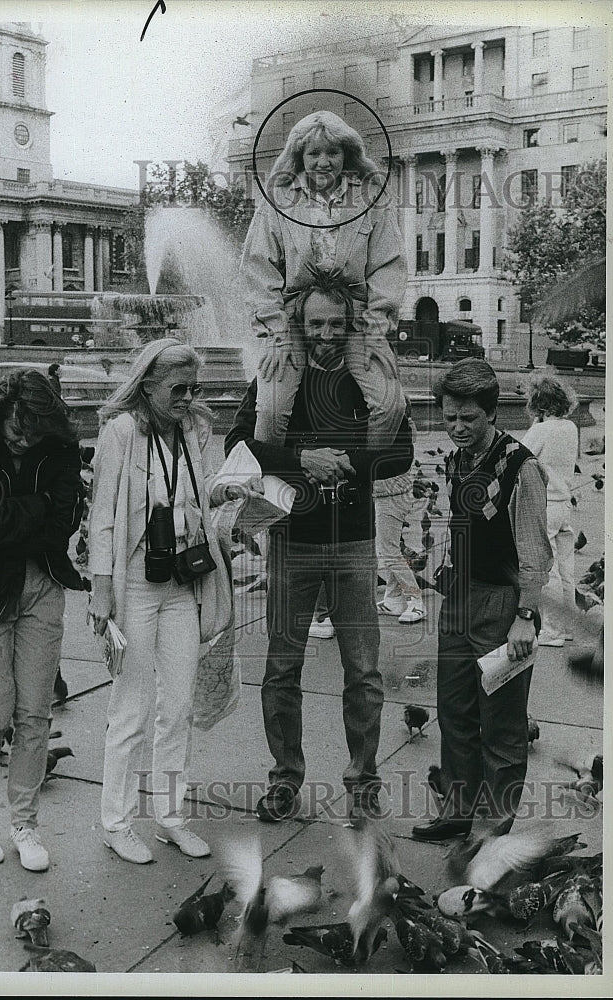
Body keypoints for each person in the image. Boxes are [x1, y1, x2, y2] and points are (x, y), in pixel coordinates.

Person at [224, 283, 414, 828]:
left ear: (352, 324)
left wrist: (346, 461)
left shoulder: (372, 378)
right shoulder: (276, 377)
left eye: (337, 324)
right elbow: (237, 443)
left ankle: (363, 780)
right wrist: (303, 458)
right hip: (293, 542)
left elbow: (402, 450)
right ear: (299, 326)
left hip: (354, 541)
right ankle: (285, 778)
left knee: (364, 672)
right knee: (281, 669)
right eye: (316, 325)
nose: (327, 335)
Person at [87, 339, 251, 864]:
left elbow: (205, 489)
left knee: (178, 706)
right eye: (177, 389)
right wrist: (101, 591)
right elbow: (104, 515)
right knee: (131, 709)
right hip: (135, 580)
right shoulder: (121, 432)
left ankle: (170, 815)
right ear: (148, 386)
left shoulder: (196, 429)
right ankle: (116, 821)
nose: (187, 398)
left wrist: (227, 493)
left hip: (185, 578)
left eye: (193, 389)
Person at [0, 370, 86, 870]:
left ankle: (24, 821)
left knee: (35, 712)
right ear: (1, 412)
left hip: (44, 584)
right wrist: (38, 509)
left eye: (35, 433)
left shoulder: (62, 448)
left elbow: (64, 521)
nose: (25, 441)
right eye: (17, 429)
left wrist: (17, 514)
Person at [412, 360, 553, 842]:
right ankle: (457, 810)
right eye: (449, 417)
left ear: (492, 413)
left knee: (502, 724)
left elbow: (536, 554)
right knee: (454, 712)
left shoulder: (522, 467)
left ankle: (492, 829)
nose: (457, 427)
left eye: (468, 419)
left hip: (502, 607)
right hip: (459, 600)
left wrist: (525, 619)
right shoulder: (458, 461)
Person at [240, 109, 407, 450]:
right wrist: (277, 332)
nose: (323, 162)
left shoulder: (370, 200)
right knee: (271, 409)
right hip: (293, 320)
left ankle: (358, 476)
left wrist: (376, 331)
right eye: (313, 153)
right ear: (299, 156)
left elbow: (388, 266)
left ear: (347, 154)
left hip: (356, 319)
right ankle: (269, 486)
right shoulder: (278, 200)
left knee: (392, 404)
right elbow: (259, 268)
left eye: (332, 152)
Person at [521, 374, 579, 646]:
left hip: (546, 505)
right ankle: (567, 626)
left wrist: (535, 424)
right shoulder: (570, 427)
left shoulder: (541, 430)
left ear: (538, 405)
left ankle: (552, 631)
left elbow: (520, 456)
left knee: (548, 569)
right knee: (566, 569)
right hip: (565, 504)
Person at [373, 398, 427, 624]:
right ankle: (393, 598)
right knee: (390, 548)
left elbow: (384, 471)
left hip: (390, 497)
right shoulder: (403, 428)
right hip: (395, 496)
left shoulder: (395, 432)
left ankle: (416, 601)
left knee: (388, 551)